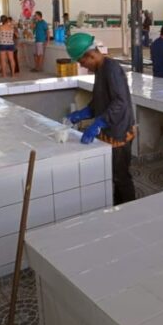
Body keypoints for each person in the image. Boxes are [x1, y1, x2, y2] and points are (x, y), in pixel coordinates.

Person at [67, 33, 136, 204]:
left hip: (119, 132)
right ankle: (118, 207)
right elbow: (101, 99)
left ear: (91, 55)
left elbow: (120, 102)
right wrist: (84, 113)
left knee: (121, 177)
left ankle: (130, 209)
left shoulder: (111, 68)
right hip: (110, 130)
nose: (82, 65)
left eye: (82, 62)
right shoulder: (100, 69)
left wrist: (100, 122)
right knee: (113, 175)